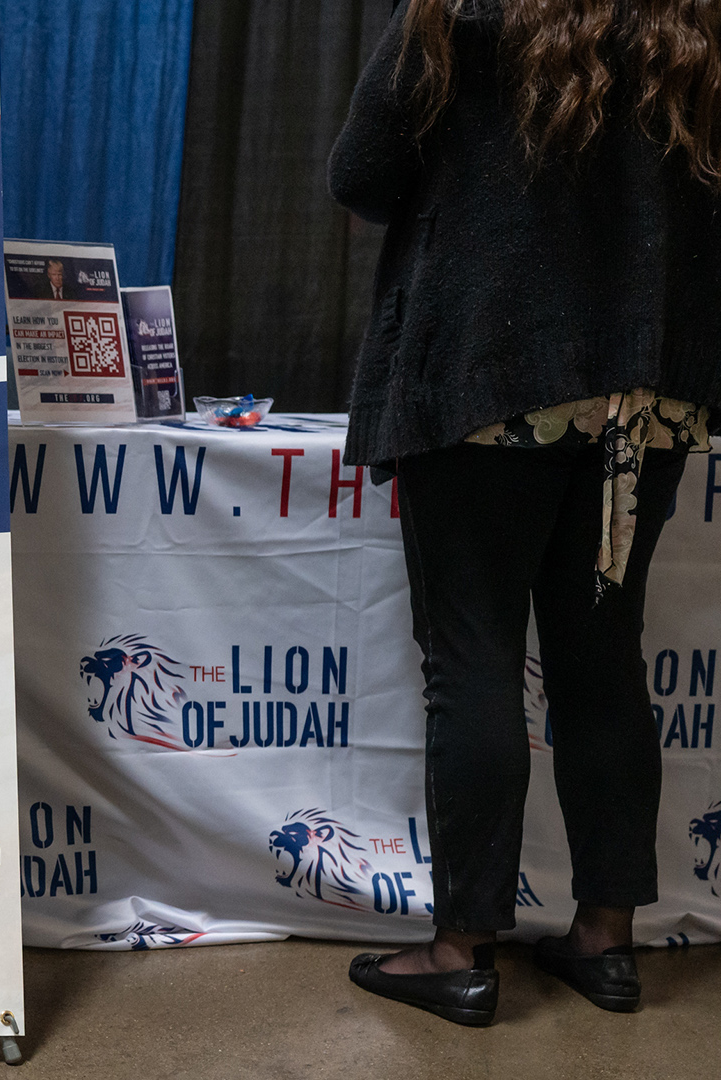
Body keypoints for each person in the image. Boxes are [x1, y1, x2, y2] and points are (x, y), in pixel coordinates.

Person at [330, 0, 721, 1025]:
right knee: (604, 662)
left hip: (488, 380)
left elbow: (360, 174)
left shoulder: (459, 13)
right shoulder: (697, 24)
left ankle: (460, 952)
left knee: (473, 660)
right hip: (647, 389)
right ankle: (606, 942)